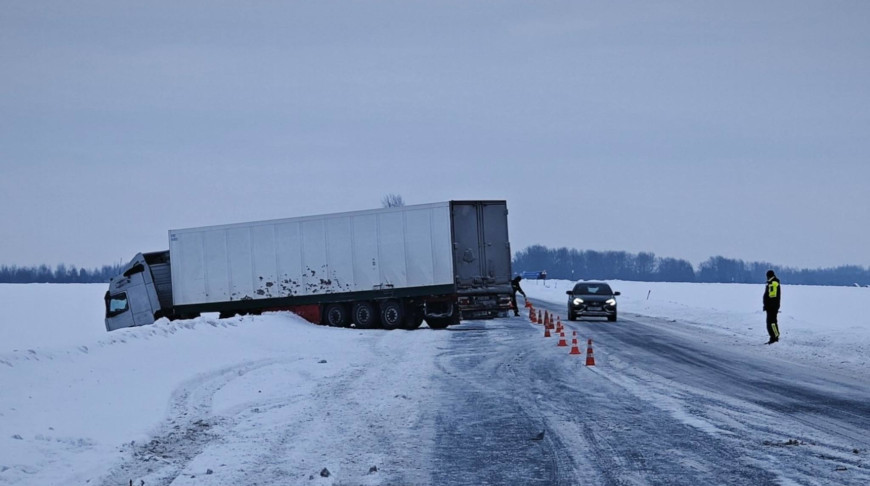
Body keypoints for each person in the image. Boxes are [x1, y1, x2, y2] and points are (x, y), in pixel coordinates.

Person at [763, 269, 781, 344]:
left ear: (769, 276)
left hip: (772, 307)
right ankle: (773, 337)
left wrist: (768, 306)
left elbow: (772, 296)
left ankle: (775, 337)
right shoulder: (772, 283)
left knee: (772, 323)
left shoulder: (773, 283)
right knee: (771, 322)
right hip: (771, 307)